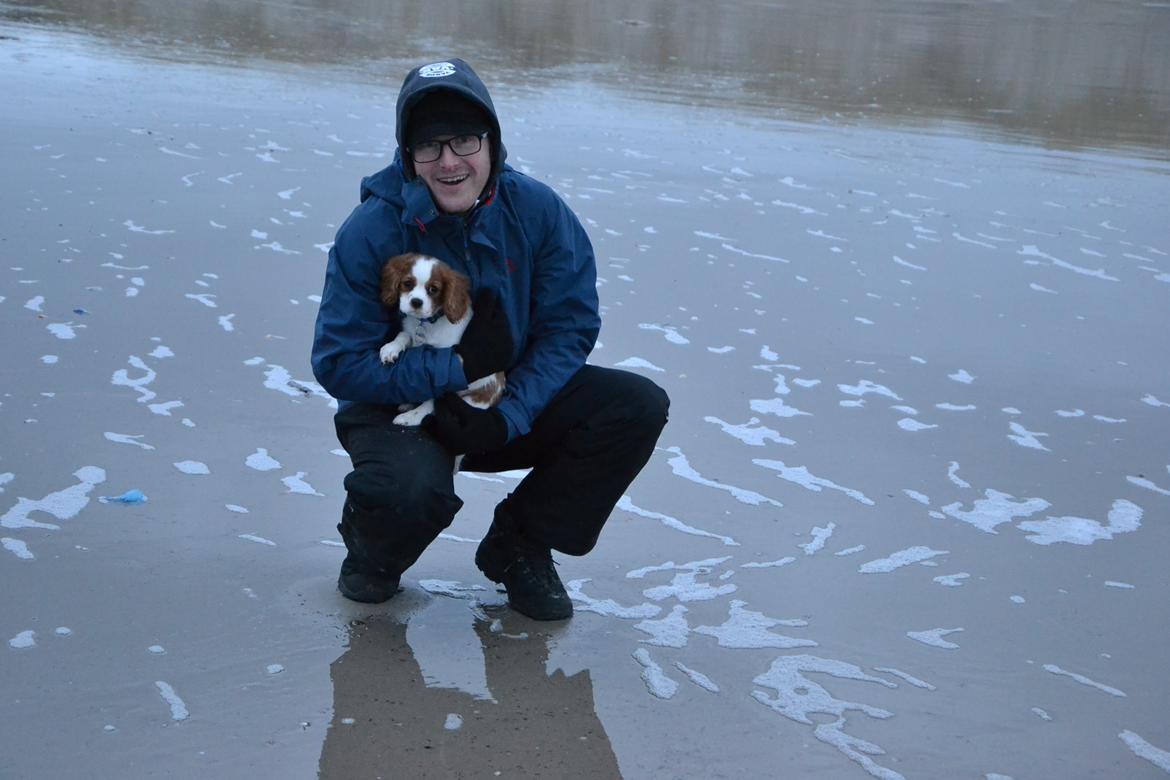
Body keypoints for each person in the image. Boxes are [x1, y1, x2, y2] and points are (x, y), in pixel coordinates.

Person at [311, 58, 669, 621]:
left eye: (464, 140)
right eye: (428, 146)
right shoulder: (371, 231)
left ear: (493, 143)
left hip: (502, 398)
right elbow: (337, 364)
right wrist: (452, 370)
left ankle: (519, 544)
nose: (449, 161)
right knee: (404, 498)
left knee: (634, 406)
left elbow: (569, 328)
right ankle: (374, 548)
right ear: (407, 156)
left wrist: (509, 413)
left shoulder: (539, 212)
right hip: (399, 411)